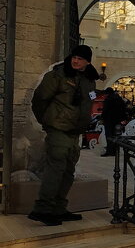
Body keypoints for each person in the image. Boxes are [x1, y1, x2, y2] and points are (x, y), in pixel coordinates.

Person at [29, 45, 99, 226]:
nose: (75, 61)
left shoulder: (90, 79)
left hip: (75, 131)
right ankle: (43, 209)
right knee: (56, 168)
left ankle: (58, 208)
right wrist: (47, 121)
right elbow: (39, 99)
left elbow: (87, 103)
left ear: (88, 62)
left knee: (68, 170)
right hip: (58, 128)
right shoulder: (57, 75)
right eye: (74, 57)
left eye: (80, 59)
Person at [100, 87, 128, 156]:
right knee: (116, 135)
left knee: (109, 136)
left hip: (109, 120)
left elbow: (105, 110)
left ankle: (109, 151)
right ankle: (115, 150)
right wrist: (123, 118)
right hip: (118, 120)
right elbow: (124, 109)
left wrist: (102, 118)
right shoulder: (119, 99)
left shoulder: (108, 99)